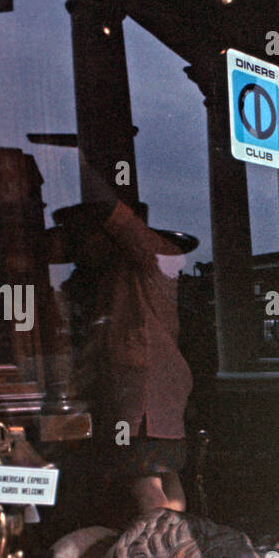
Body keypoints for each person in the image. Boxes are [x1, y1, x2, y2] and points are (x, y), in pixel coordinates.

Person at [55, 158, 196, 523]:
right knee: (164, 474)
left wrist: (80, 166)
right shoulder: (119, 279)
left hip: (145, 399)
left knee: (144, 480)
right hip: (153, 399)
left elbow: (118, 219)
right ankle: (171, 544)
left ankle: (158, 549)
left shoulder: (155, 260)